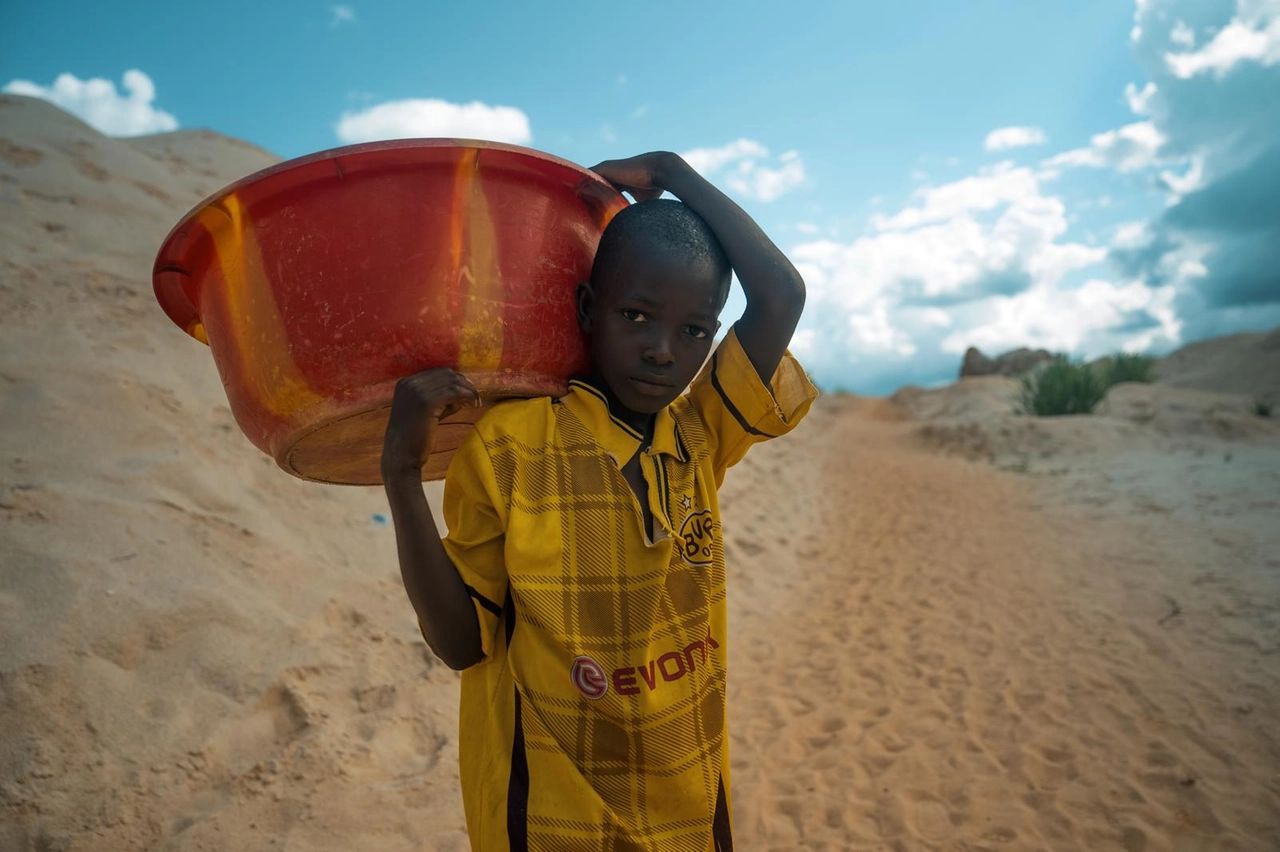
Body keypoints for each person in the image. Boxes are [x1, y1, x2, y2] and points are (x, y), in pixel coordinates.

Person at [381, 150, 818, 852]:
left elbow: (781, 296)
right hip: (553, 815)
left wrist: (675, 174)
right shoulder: (512, 447)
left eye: (694, 331)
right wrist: (401, 474)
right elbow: (463, 645)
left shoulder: (701, 435)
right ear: (590, 309)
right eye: (637, 315)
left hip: (688, 804)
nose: (662, 351)